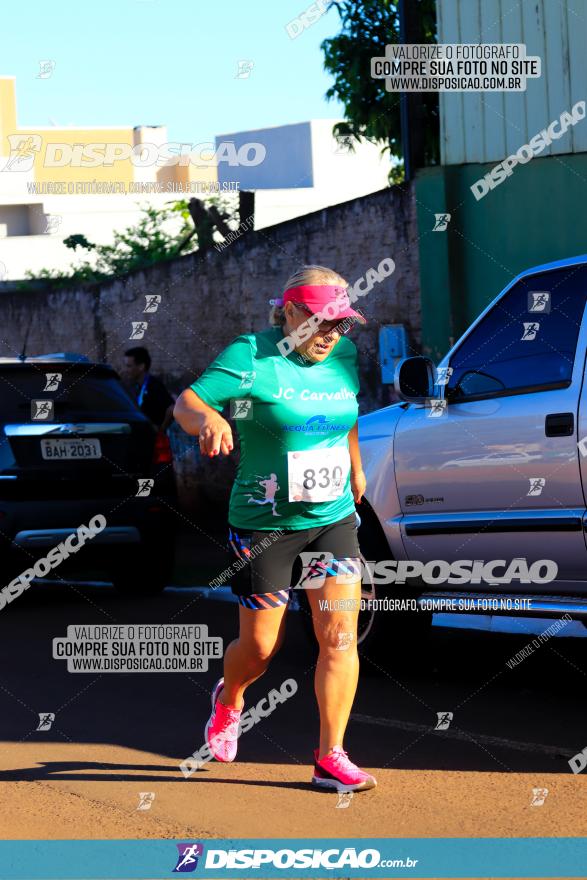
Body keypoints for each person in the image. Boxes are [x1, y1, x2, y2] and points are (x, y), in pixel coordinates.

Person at [174, 265, 376, 792]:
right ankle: (229, 698)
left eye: (340, 324)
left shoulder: (344, 357)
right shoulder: (251, 356)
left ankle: (330, 756)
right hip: (264, 525)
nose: (331, 335)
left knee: (338, 636)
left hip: (331, 518)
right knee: (262, 648)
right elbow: (188, 403)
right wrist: (212, 420)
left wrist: (355, 466)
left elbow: (347, 411)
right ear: (289, 312)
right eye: (319, 322)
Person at [123, 347, 174, 431]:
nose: (126, 370)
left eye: (129, 366)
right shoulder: (133, 386)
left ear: (141, 366)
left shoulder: (154, 385)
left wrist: (162, 428)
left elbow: (171, 408)